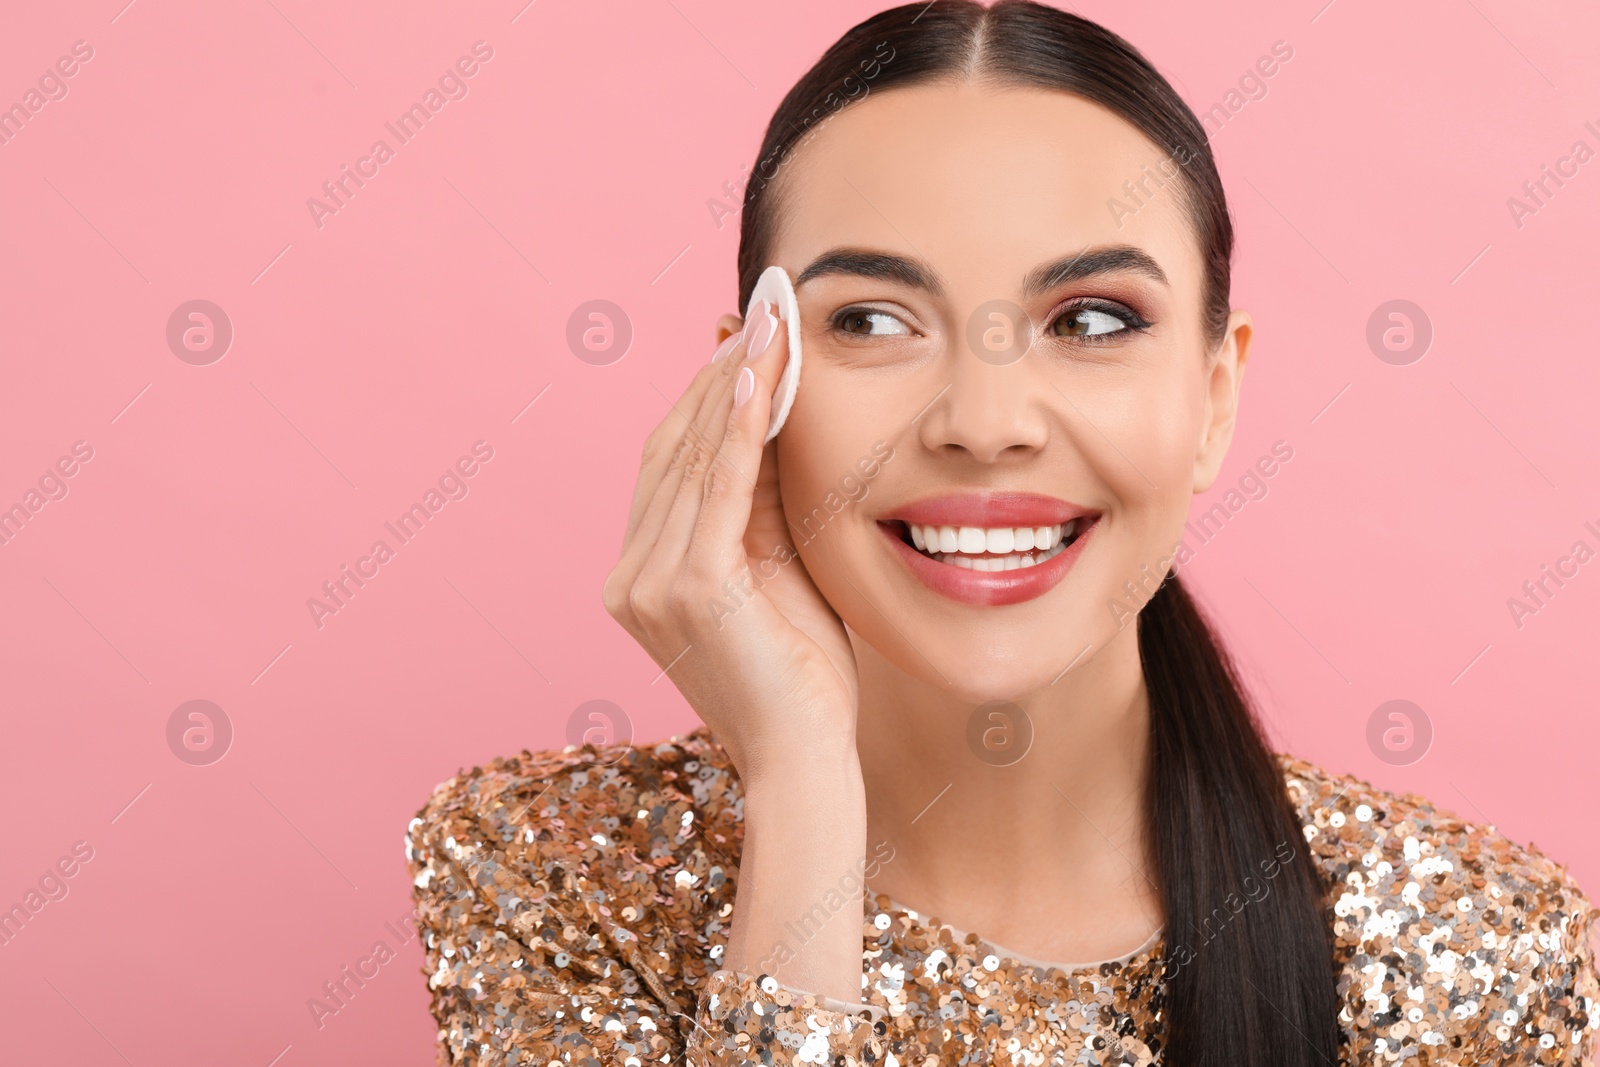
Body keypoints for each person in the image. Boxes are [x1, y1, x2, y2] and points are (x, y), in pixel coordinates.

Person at [405, 2, 1599, 1062]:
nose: (983, 425)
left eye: (1088, 317)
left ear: (1214, 399)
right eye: (872, 318)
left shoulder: (1482, 946)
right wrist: (802, 793)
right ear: (744, 388)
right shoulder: (551, 870)